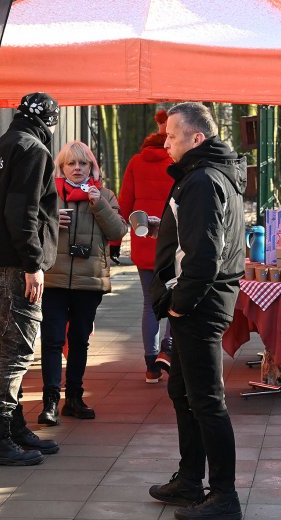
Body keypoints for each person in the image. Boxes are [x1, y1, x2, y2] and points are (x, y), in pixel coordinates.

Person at [147, 102, 245, 520]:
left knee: (206, 400)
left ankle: (224, 497)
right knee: (182, 392)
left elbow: (205, 253)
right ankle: (190, 480)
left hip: (201, 304)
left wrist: (181, 304)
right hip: (200, 301)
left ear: (196, 138)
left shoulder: (204, 180)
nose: (165, 143)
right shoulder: (204, 176)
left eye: (171, 136)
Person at [0, 92, 61, 466]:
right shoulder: (33, 150)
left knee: (8, 344)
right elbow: (23, 212)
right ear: (50, 121)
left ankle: (14, 427)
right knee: (18, 349)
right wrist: (33, 263)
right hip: (16, 265)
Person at [37, 141, 128, 426]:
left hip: (89, 281)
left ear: (92, 167)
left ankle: (74, 397)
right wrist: (50, 221)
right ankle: (50, 401)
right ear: (61, 168)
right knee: (52, 341)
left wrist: (98, 204)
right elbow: (30, 231)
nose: (77, 168)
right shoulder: (48, 195)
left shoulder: (104, 195)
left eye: (83, 164)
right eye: (71, 164)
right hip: (53, 278)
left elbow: (118, 231)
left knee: (79, 340)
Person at [115, 109, 175, 383]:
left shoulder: (136, 162)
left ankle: (151, 365)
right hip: (173, 244)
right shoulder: (178, 163)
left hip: (143, 243)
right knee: (177, 301)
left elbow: (124, 205)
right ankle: (168, 350)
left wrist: (115, 243)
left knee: (149, 305)